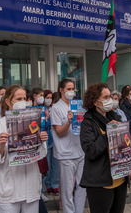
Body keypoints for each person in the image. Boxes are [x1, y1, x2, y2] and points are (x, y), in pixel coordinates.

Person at [0, 85, 48, 212]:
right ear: (8, 101)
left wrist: (41, 141)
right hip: (9, 188)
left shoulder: (33, 122)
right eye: (18, 99)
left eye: (24, 99)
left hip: (30, 186)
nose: (22, 102)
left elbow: (42, 154)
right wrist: (1, 147)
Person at [80, 83, 131, 213]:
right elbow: (90, 151)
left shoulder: (116, 118)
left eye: (110, 97)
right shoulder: (88, 123)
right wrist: (108, 133)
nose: (110, 100)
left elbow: (125, 146)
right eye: (105, 97)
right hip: (101, 183)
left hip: (120, 180)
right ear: (95, 102)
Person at [50, 79, 86, 213]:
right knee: (67, 190)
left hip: (80, 151)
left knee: (82, 186)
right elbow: (59, 132)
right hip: (65, 154)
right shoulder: (56, 108)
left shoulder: (78, 105)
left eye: (73, 89)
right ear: (61, 90)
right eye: (68, 89)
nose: (71, 92)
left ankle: (79, 210)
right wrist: (69, 122)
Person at [42, 90, 59, 195]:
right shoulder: (42, 110)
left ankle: (55, 185)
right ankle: (47, 185)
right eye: (47, 97)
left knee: (55, 164)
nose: (49, 99)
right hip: (46, 139)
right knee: (47, 164)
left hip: (54, 139)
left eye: (50, 97)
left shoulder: (54, 109)